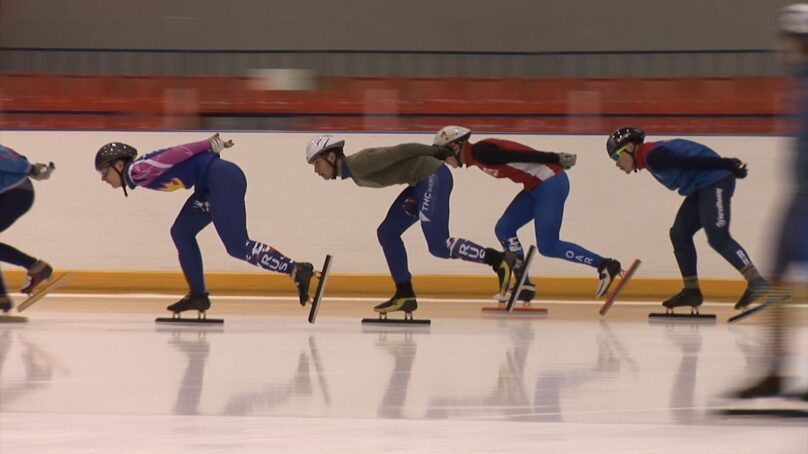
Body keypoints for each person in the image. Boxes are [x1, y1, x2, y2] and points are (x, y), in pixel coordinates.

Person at [94, 134, 315, 313]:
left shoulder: (137, 170)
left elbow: (174, 153)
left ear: (119, 164)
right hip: (209, 184)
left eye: (104, 172)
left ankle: (296, 269)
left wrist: (206, 144)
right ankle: (198, 295)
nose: (104, 178)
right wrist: (208, 150)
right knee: (181, 232)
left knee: (237, 245)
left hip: (220, 178)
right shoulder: (139, 174)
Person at [305, 135, 515, 315]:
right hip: (418, 183)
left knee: (439, 245)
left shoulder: (360, 163)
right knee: (387, 233)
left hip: (432, 176)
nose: (316, 170)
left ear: (331, 157)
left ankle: (499, 260)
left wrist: (435, 151)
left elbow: (401, 150)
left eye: (317, 163)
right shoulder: (354, 171)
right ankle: (404, 293)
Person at [433, 126, 623, 301]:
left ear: (455, 147)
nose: (445, 162)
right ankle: (523, 283)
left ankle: (605, 264)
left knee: (548, 245)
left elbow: (520, 155)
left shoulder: (480, 152)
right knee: (504, 229)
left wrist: (554, 157)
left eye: (443, 155)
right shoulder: (477, 157)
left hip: (550, 183)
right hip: (535, 187)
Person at [731, 3, 808, 400]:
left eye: (796, 40)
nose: (790, 47)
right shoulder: (799, 77)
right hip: (799, 195)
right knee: (778, 278)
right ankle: (776, 370)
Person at [605, 127, 768, 312]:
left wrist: (727, 164)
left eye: (616, 157)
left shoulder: (653, 156)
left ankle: (756, 281)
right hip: (701, 188)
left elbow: (689, 162)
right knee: (679, 233)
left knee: (717, 236)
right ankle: (692, 291)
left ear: (629, 146)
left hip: (715, 181)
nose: (617, 164)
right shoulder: (648, 158)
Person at [0, 144, 55, 313]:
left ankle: (34, 266)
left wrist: (30, 168)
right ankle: (1, 298)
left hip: (16, 193)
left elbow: (10, 160)